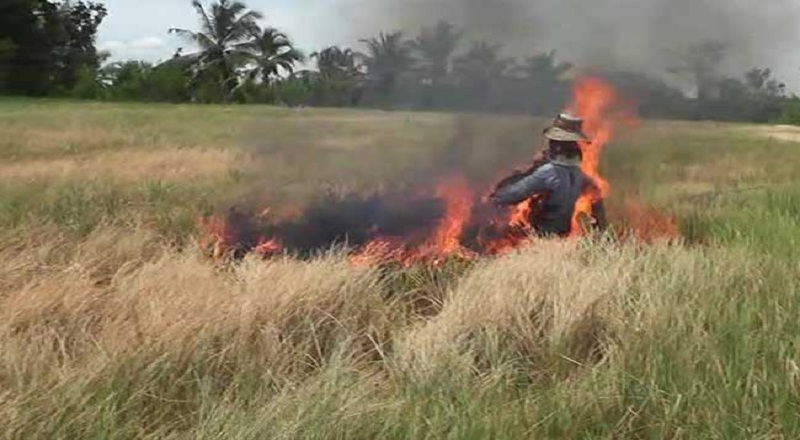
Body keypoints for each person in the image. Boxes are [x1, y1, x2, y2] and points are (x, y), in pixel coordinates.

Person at [490, 113, 607, 237]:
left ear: (556, 144)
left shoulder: (549, 173)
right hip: (562, 236)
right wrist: (599, 229)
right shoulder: (580, 176)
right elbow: (596, 197)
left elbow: (513, 195)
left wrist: (493, 198)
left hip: (541, 236)